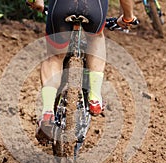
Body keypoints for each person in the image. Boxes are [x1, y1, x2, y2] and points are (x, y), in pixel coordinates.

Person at [26, 0, 139, 144]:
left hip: (62, 6)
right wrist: (127, 17)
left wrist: (36, 2)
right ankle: (95, 97)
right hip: (94, 6)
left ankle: (48, 111)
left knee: (55, 57)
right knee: (96, 38)